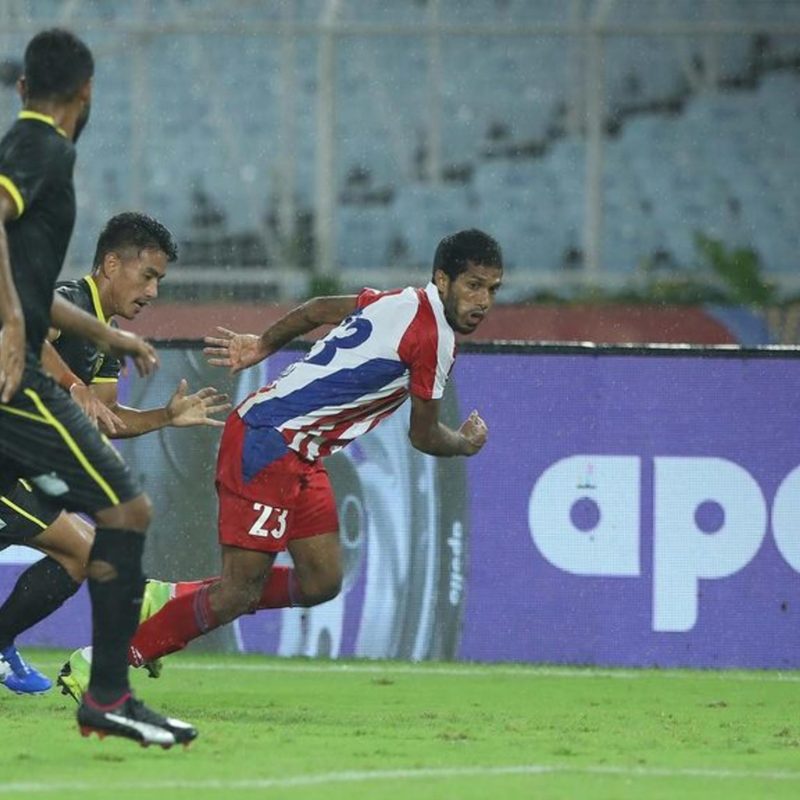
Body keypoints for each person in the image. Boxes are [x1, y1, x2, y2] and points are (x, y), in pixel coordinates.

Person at [59, 228, 502, 683]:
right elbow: (424, 436)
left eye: (492, 289)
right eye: (473, 285)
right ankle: (103, 663)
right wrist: (464, 443)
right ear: (442, 280)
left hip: (299, 451)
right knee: (238, 592)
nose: (483, 301)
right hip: (269, 442)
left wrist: (263, 343)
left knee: (321, 580)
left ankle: (167, 599)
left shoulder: (401, 300)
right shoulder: (435, 337)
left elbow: (317, 309)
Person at [0, 28, 196, 747]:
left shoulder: (35, 152)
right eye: (147, 276)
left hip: (21, 391)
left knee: (111, 519)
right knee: (124, 511)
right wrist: (15, 323)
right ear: (85, 92)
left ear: (26, 86)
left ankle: (106, 693)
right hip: (16, 388)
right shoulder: (43, 147)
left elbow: (30, 290)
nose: (150, 290)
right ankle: (108, 695)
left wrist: (113, 340)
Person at [0, 211, 229, 696]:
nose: (153, 291)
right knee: (87, 549)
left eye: (159, 280)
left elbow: (105, 417)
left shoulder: (102, 337)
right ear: (111, 264)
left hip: (14, 472)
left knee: (78, 555)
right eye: (148, 275)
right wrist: (72, 383)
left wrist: (166, 417)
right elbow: (21, 333)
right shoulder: (68, 300)